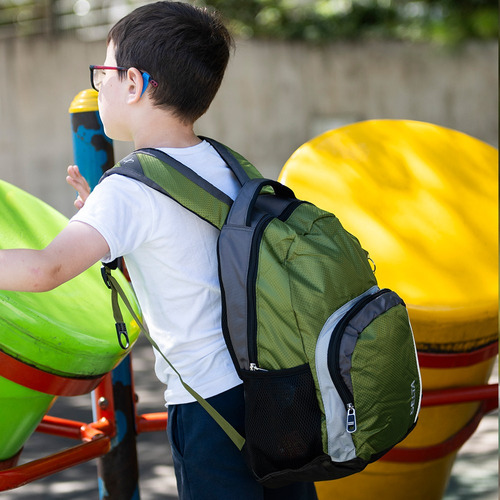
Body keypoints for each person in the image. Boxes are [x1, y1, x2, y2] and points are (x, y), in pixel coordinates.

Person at [0, 2, 318, 499]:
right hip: (279, 389)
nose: (98, 85)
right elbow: (194, 255)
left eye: (102, 72)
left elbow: (46, 269)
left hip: (209, 409)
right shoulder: (228, 163)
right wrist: (107, 224)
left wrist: (111, 212)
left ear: (133, 82)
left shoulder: (130, 188)